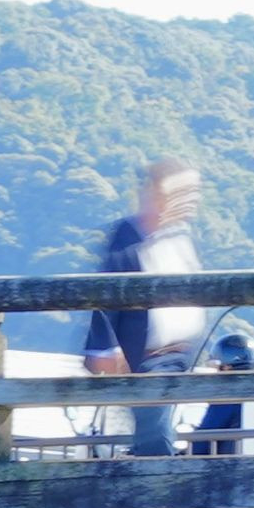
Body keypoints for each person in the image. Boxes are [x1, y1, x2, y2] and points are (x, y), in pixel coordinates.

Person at [81, 159, 208, 459]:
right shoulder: (127, 237)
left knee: (163, 431)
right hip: (150, 357)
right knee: (155, 436)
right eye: (183, 193)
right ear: (158, 193)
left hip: (182, 355)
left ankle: (157, 480)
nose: (190, 201)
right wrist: (104, 347)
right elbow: (104, 292)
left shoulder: (179, 236)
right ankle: (160, 485)